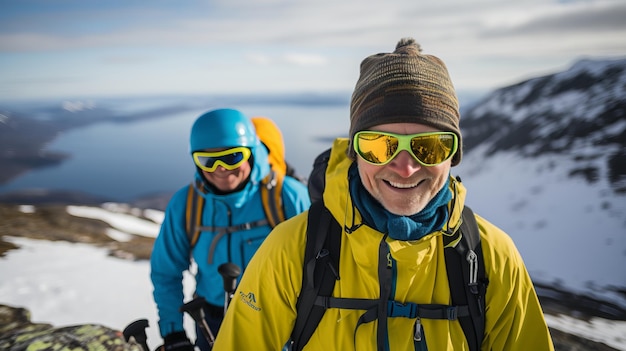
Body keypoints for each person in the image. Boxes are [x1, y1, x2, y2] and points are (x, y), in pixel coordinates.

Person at [213, 38, 555, 350]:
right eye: (379, 146)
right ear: (355, 152)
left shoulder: (492, 258)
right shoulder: (292, 249)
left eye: (430, 146)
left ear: (453, 154)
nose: (405, 168)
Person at [150, 108, 311, 351]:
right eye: (207, 160)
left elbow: (320, 264)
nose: (221, 169)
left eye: (232, 157)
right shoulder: (186, 204)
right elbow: (166, 272)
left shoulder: (288, 196)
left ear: (251, 152)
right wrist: (174, 333)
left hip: (280, 320)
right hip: (211, 321)